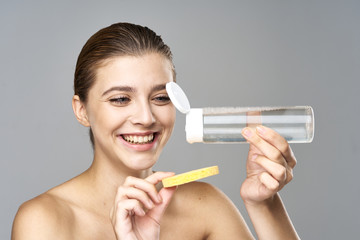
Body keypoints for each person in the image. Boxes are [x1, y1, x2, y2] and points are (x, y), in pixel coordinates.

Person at [11, 22, 300, 240]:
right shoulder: (45, 221)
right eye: (121, 99)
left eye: (161, 98)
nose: (146, 117)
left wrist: (264, 204)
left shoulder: (206, 206)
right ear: (81, 110)